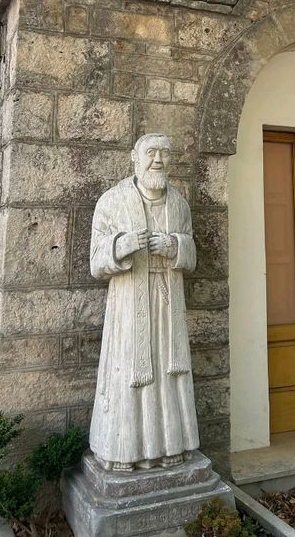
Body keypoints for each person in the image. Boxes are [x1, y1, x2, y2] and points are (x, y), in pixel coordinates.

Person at [88, 133, 199, 470]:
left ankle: (172, 448)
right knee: (130, 375)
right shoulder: (112, 201)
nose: (158, 160)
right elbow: (95, 262)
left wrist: (175, 245)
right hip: (127, 309)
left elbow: (191, 253)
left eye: (165, 153)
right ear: (133, 158)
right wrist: (120, 246)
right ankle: (122, 453)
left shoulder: (178, 202)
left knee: (169, 371)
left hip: (168, 308)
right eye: (151, 152)